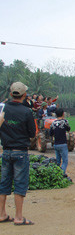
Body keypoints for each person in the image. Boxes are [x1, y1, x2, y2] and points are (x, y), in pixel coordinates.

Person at [0, 82, 36, 225]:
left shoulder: (3, 109)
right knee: (20, 184)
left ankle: (2, 214)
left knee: (3, 184)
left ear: (10, 94)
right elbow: (32, 133)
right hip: (20, 152)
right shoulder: (27, 112)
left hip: (6, 151)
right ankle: (19, 217)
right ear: (24, 95)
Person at [49, 108, 71, 174]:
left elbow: (50, 133)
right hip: (63, 144)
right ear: (63, 114)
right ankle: (61, 174)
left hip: (56, 144)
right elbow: (68, 129)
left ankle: (56, 174)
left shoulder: (53, 123)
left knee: (58, 162)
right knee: (65, 161)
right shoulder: (65, 122)